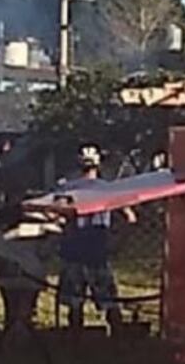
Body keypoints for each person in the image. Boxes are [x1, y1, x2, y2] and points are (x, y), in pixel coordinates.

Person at [57, 144, 136, 340]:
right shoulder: (106, 189)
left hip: (73, 249)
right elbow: (130, 218)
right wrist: (118, 242)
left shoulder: (66, 188)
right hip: (97, 249)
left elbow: (56, 217)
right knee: (109, 300)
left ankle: (74, 342)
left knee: (75, 303)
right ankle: (119, 340)